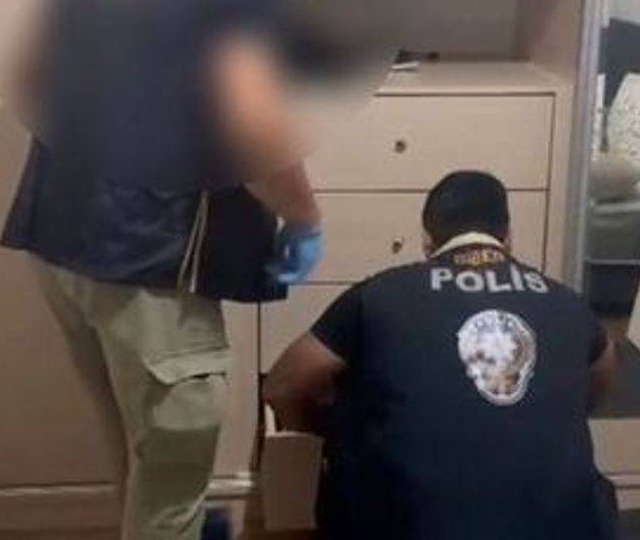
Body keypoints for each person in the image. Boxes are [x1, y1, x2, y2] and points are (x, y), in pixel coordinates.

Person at [0, 0, 322, 540]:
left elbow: (27, 77)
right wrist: (304, 220)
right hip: (151, 268)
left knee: (145, 454)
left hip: (62, 249)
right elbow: (256, 135)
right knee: (172, 473)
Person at [264, 170, 621, 540]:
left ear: (427, 240)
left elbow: (282, 386)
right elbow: (601, 377)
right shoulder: (570, 304)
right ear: (508, 236)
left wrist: (322, 431)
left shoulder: (377, 295)